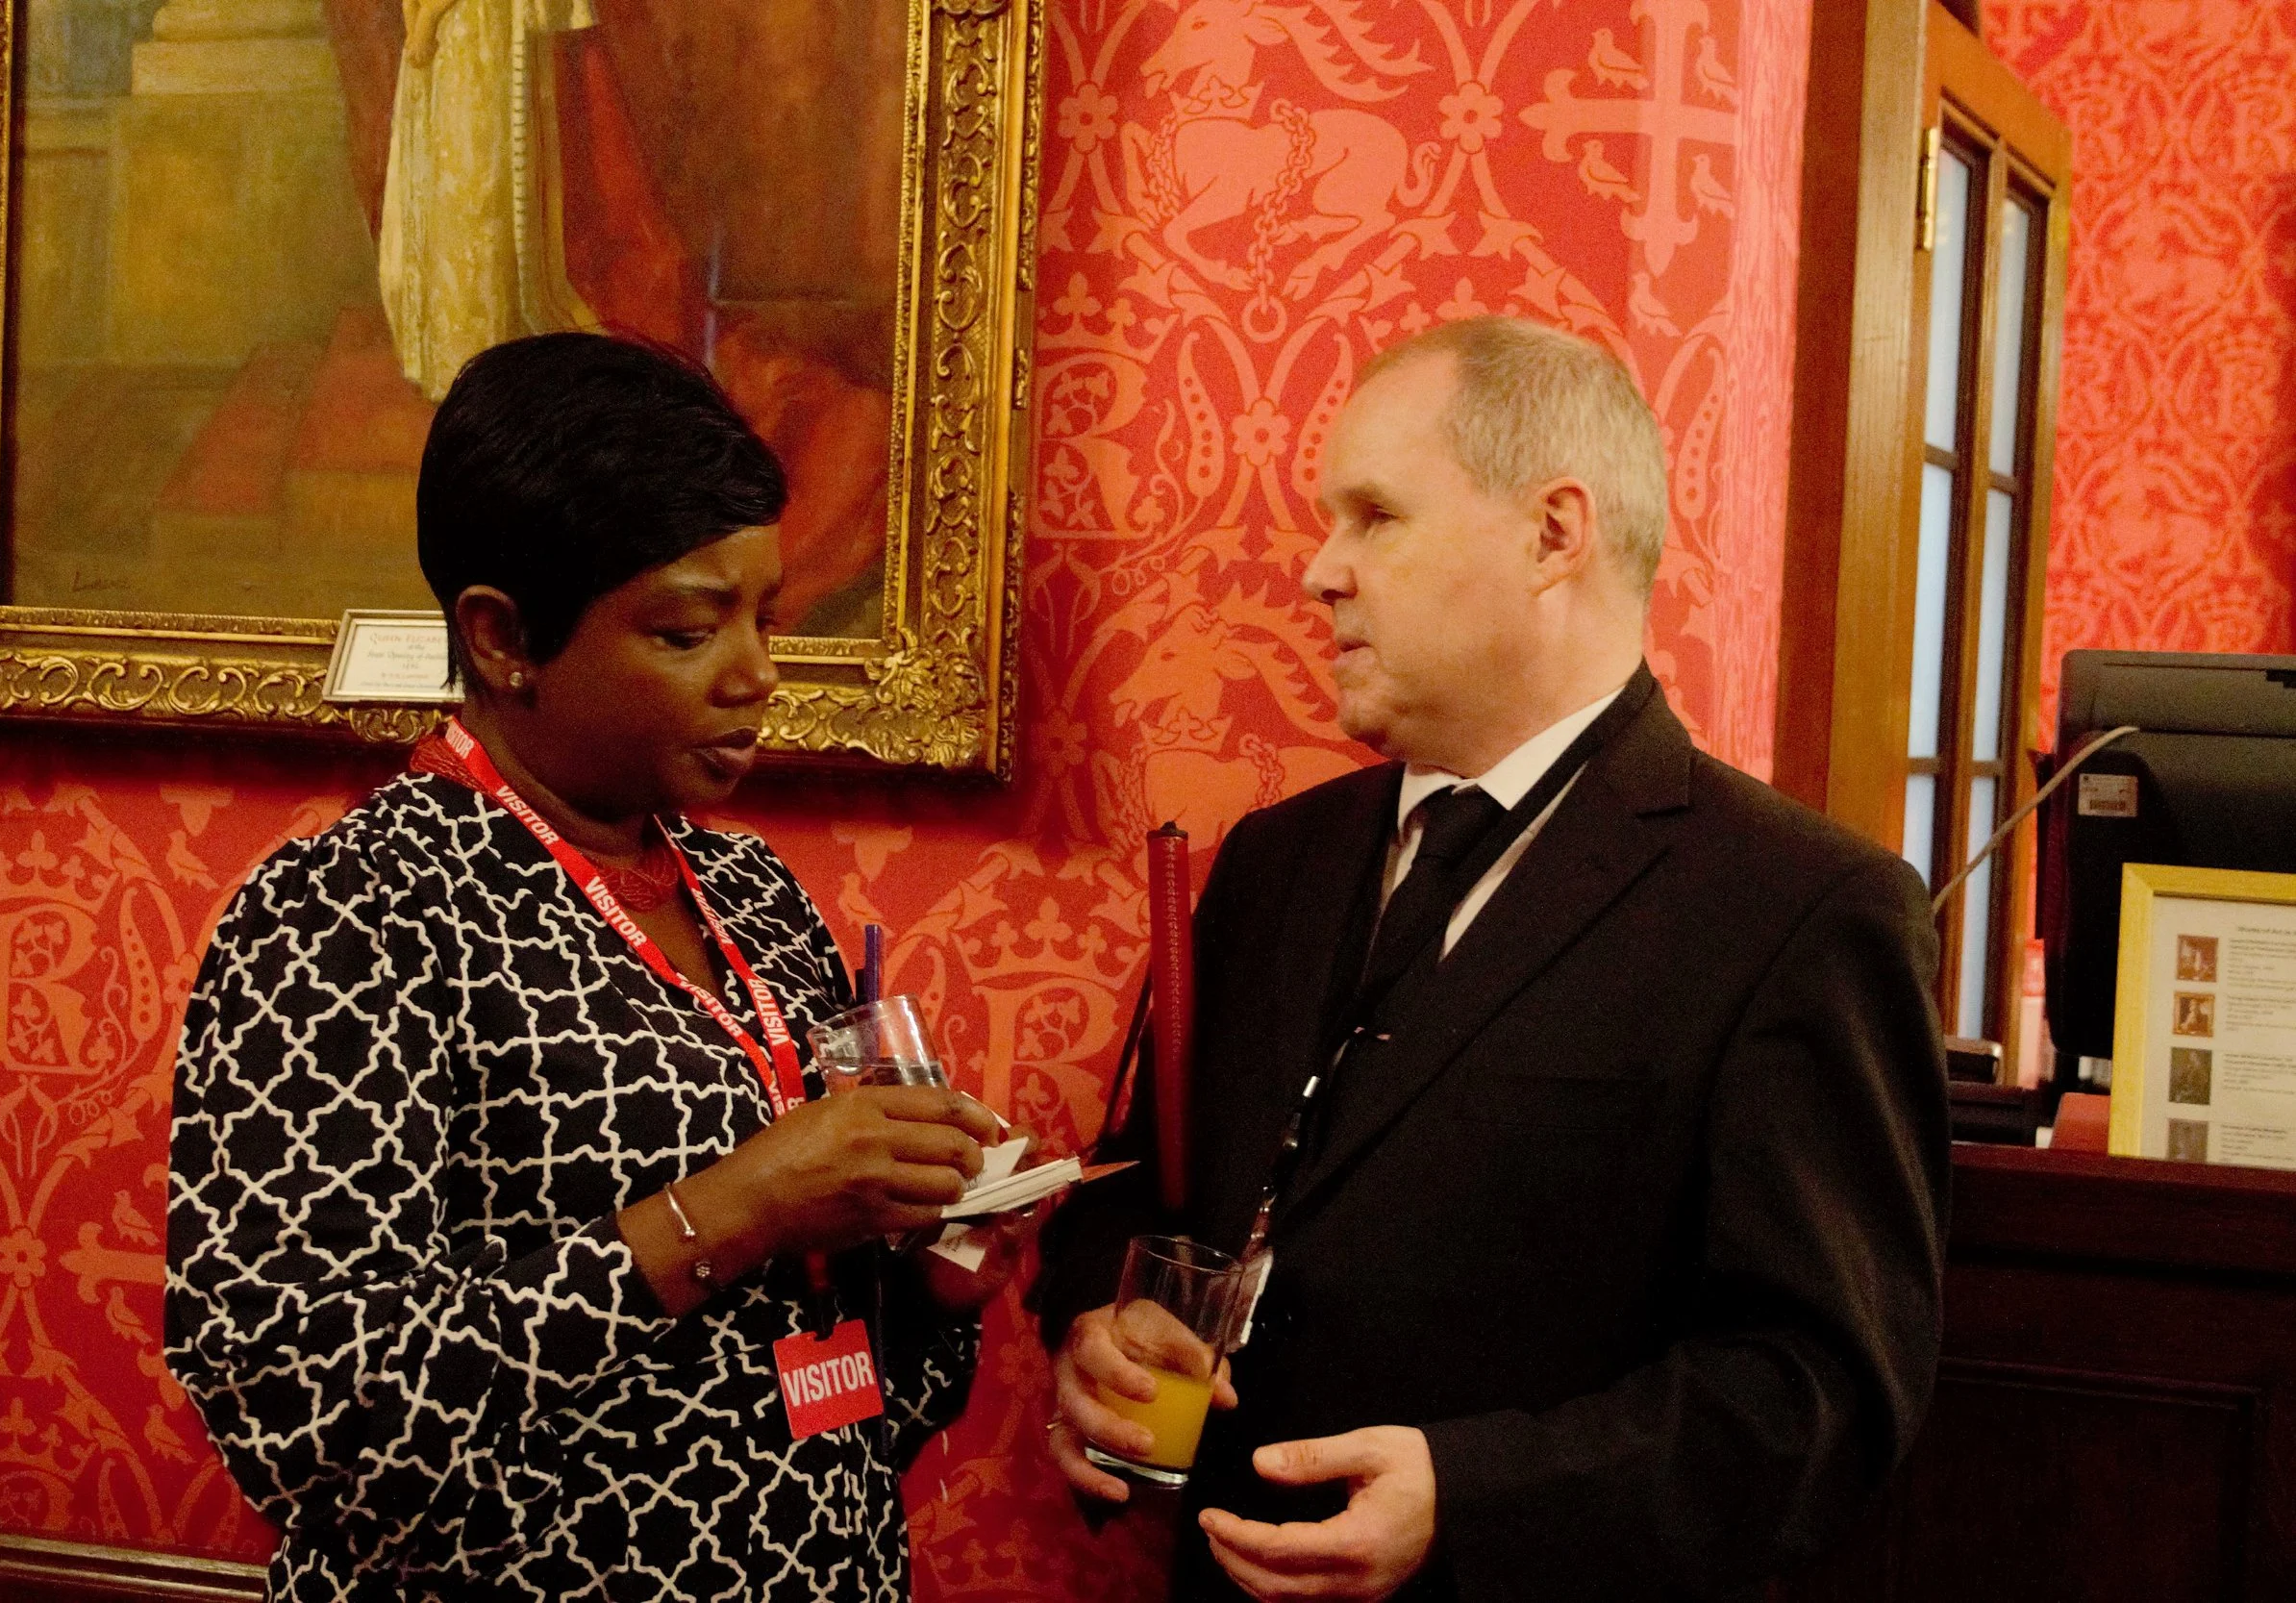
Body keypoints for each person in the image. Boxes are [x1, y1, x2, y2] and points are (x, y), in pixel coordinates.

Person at [1039, 316, 1950, 1602]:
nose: (1318, 571)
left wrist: (1472, 1498)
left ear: (1553, 533)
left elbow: (1818, 1395)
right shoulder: (1273, 862)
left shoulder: (1802, 910)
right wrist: (1096, 1325)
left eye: (1374, 516)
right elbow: (1145, 1190)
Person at [165, 333, 1014, 1602]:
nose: (756, 675)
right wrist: (743, 1203)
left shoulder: (750, 893)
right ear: (505, 637)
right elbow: (310, 1410)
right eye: (686, 629)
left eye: (765, 617)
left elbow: (841, 1399)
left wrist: (937, 1262)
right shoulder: (351, 917)